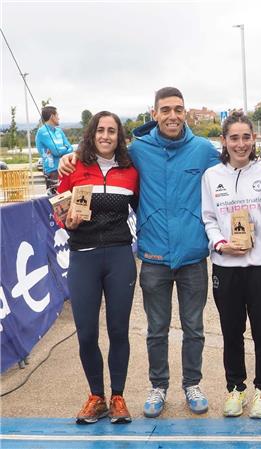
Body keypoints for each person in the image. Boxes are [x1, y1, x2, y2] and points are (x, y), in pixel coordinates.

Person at [59, 87, 220, 418]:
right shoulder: (139, 152)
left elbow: (232, 168)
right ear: (155, 113)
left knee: (194, 328)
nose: (172, 115)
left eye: (178, 109)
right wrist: (68, 157)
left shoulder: (203, 150)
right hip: (153, 257)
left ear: (185, 112)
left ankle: (192, 383)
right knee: (156, 329)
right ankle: (157, 387)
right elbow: (67, 200)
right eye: (166, 109)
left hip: (191, 255)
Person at [201, 112, 261, 419]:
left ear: (255, 139)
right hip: (225, 265)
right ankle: (235, 388)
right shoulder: (212, 176)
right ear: (224, 141)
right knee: (231, 331)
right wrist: (220, 244)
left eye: (246, 137)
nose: (240, 144)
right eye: (234, 138)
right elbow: (209, 218)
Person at [57, 111, 138, 425]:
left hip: (119, 256)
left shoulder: (131, 170)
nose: (106, 136)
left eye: (112, 131)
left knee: (119, 331)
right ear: (91, 134)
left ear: (119, 137)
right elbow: (59, 213)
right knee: (87, 333)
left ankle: (117, 397)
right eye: (100, 130)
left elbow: (142, 206)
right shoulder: (74, 166)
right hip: (84, 257)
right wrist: (67, 222)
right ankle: (96, 397)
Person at [36, 106, 73, 194]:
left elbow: (70, 148)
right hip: (52, 170)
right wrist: (65, 148)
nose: (59, 118)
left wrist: (63, 149)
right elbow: (57, 151)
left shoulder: (59, 131)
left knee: (68, 198)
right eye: (57, 115)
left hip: (65, 167)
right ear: (52, 116)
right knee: (55, 201)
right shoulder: (42, 131)